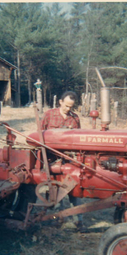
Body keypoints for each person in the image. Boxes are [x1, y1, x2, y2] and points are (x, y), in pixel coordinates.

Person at [41, 91, 85, 232]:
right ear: (60, 102)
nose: (68, 109)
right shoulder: (49, 115)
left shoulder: (75, 119)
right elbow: (40, 135)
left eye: (71, 107)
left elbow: (79, 139)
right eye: (66, 106)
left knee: (73, 188)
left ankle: (78, 220)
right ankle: (55, 219)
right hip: (52, 159)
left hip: (69, 160)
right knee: (54, 190)